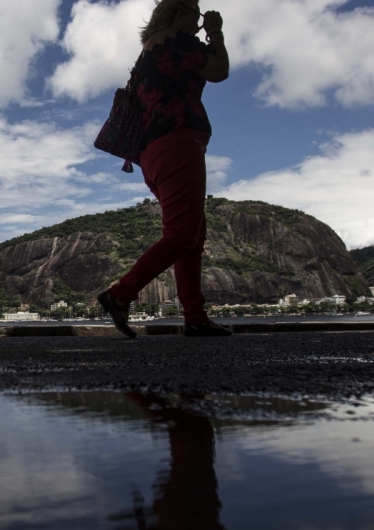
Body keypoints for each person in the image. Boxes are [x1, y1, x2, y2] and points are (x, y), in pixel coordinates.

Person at [98, 0, 231, 339]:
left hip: (152, 154)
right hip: (176, 142)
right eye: (196, 11)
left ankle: (195, 317)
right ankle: (120, 293)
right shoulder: (176, 40)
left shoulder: (144, 58)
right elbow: (219, 71)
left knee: (192, 237)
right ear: (180, 11)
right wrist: (215, 32)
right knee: (184, 235)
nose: (199, 19)